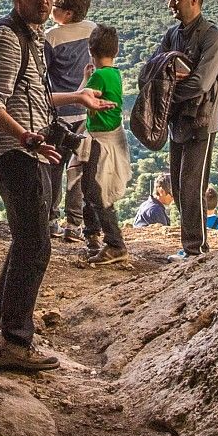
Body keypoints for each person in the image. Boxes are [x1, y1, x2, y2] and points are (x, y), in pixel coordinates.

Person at [0, 0, 108, 372]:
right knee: (35, 246)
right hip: (17, 154)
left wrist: (76, 97)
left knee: (26, 241)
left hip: (29, 149)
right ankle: (16, 342)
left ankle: (1, 329)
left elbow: (32, 97)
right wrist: (25, 136)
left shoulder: (31, 37)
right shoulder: (6, 38)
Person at [153, 0, 218, 260]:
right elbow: (153, 70)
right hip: (178, 121)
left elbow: (201, 82)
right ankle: (189, 244)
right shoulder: (173, 35)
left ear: (194, 1)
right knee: (177, 183)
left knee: (192, 185)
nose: (170, 4)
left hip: (202, 120)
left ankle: (195, 249)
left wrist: (169, 90)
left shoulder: (211, 37)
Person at [44, 0, 99, 241]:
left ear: (66, 13)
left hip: (59, 112)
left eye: (53, 3)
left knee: (54, 166)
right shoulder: (94, 31)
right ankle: (74, 224)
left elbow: (42, 74)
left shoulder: (52, 37)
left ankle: (50, 220)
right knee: (78, 170)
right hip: (87, 112)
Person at [75, 25, 131, 265]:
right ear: (116, 52)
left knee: (95, 191)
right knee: (92, 188)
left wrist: (85, 80)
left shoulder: (99, 76)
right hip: (110, 137)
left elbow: (80, 101)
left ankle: (114, 242)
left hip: (100, 141)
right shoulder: (114, 74)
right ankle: (93, 235)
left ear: (91, 50)